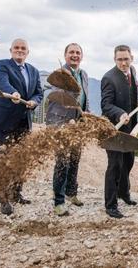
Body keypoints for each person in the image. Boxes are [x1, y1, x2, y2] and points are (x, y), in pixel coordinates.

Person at [0, 38, 43, 215]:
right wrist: (13, 93)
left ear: (27, 52)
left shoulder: (33, 71)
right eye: (16, 48)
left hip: (23, 121)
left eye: (23, 48)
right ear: (11, 50)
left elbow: (39, 93)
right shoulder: (2, 65)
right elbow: (2, 83)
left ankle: (16, 193)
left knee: (21, 158)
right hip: (2, 119)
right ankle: (3, 197)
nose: (19, 50)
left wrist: (34, 101)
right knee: (1, 158)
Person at [101, 45, 138, 218]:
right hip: (114, 130)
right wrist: (120, 113)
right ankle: (110, 205)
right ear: (114, 59)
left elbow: (134, 91)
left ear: (131, 58)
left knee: (128, 161)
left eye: (126, 59)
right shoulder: (108, 78)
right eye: (119, 59)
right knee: (115, 165)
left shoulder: (132, 71)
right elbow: (106, 105)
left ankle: (124, 194)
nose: (123, 63)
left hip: (130, 128)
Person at [45, 43, 89, 216]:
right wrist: (67, 119)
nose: (75, 55)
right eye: (71, 52)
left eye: (78, 52)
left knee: (75, 159)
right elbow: (57, 95)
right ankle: (59, 202)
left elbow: (84, 98)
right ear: (65, 55)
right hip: (60, 122)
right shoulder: (59, 74)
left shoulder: (83, 74)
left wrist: (85, 115)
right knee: (62, 162)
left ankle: (71, 193)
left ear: (82, 56)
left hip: (78, 123)